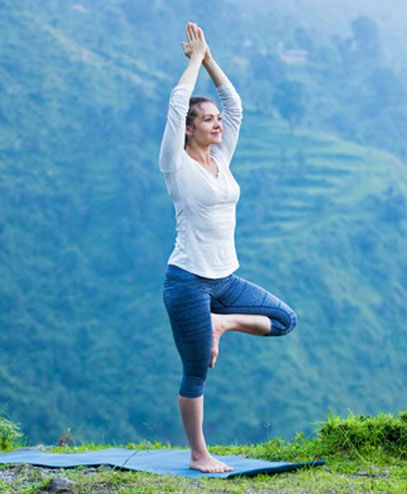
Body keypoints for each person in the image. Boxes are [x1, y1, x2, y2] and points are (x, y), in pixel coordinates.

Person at [159, 22, 298, 473]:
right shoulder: (175, 164)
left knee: (284, 320)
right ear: (187, 130)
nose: (217, 123)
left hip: (225, 281)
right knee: (196, 371)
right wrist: (193, 64)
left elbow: (235, 106)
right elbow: (177, 103)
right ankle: (199, 453)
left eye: (216, 120)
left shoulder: (222, 159)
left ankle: (223, 324)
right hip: (187, 283)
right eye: (207, 120)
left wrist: (211, 59)